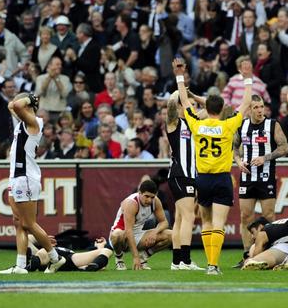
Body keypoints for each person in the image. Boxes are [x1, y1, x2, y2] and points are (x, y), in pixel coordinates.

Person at [174, 56, 254, 276]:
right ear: (222, 109)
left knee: (207, 222)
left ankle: (211, 264)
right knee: (219, 222)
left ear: (206, 107)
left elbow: (185, 102)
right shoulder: (228, 125)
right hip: (221, 177)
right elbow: (246, 104)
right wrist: (247, 79)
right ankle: (212, 265)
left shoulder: (197, 124)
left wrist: (180, 76)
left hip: (202, 179)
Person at [0, 93, 66, 274]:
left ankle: (56, 258)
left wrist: (29, 98)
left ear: (29, 106)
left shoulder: (34, 122)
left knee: (29, 223)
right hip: (17, 177)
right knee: (18, 222)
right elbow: (12, 106)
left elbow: (17, 105)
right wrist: (23, 100)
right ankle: (20, 266)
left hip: (25, 177)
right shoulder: (23, 122)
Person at [233, 95, 288, 267]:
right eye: (256, 107)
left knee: (268, 216)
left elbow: (284, 148)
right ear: (249, 109)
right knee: (245, 217)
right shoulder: (242, 125)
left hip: (266, 177)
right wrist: (238, 161)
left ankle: (268, 254)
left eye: (261, 107)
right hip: (247, 177)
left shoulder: (272, 125)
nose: (259, 110)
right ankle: (246, 255)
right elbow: (234, 147)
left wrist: (265, 157)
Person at [165, 90, 206, 270]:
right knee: (189, 216)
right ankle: (186, 260)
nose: (194, 108)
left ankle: (176, 261)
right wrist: (178, 92)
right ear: (181, 106)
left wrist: (193, 96)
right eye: (189, 105)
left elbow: (215, 108)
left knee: (180, 219)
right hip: (180, 174)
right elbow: (170, 108)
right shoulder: (175, 123)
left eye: (195, 106)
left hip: (190, 175)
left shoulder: (196, 124)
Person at [108, 178, 172, 271]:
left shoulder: (155, 201)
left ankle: (143, 258)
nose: (149, 200)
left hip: (138, 234)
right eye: (146, 196)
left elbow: (164, 222)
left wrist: (155, 232)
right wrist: (135, 257)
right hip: (123, 234)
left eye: (152, 197)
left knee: (171, 235)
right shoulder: (131, 203)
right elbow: (129, 231)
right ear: (139, 193)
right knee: (117, 235)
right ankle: (119, 259)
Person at [27, 236, 113, 272]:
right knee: (42, 252)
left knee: (107, 250)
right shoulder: (44, 249)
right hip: (50, 257)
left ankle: (87, 268)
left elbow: (102, 265)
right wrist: (43, 238)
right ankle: (31, 264)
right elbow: (27, 238)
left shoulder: (72, 252)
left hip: (70, 258)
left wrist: (100, 246)